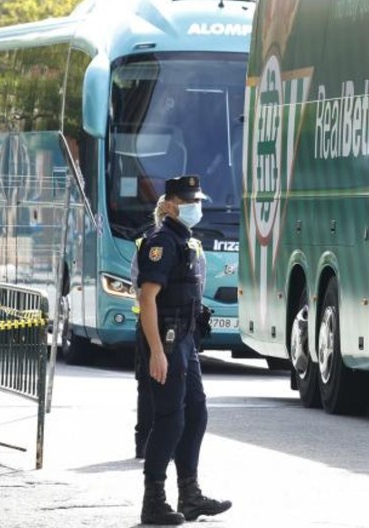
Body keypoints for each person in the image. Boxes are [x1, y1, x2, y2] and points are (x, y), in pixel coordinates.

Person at [135, 175, 229, 525]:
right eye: (191, 201)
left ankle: (189, 495)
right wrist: (157, 351)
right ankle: (153, 500)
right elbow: (147, 298)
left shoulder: (182, 240)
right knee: (170, 420)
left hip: (185, 341)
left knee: (196, 413)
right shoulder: (161, 241)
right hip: (166, 340)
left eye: (198, 200)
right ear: (172, 203)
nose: (197, 207)